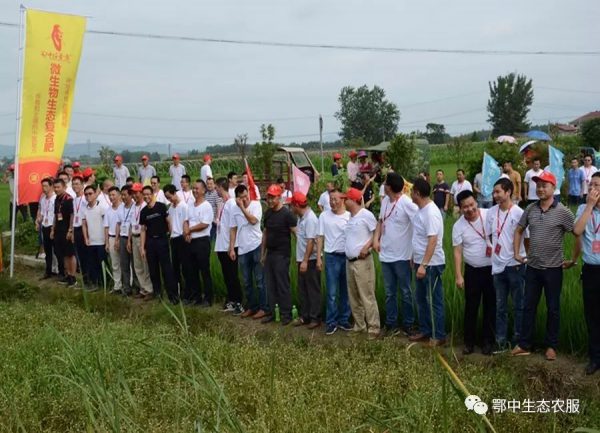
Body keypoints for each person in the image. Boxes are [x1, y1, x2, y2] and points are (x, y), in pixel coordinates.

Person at [512, 171, 576, 361]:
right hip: (532, 268)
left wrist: (573, 258)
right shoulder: (531, 209)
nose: (540, 189)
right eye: (538, 185)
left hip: (553, 269)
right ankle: (524, 344)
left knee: (553, 308)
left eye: (544, 185)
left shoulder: (563, 211)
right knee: (528, 306)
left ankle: (551, 346)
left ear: (553, 188)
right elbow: (519, 230)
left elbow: (578, 233)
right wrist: (516, 253)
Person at [373, 173, 418, 337]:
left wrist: (414, 252)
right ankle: (391, 324)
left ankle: (409, 324)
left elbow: (418, 225)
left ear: (390, 187)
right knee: (389, 293)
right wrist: (376, 239)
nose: (383, 185)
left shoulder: (407, 203)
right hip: (386, 255)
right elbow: (381, 221)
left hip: (403, 256)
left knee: (405, 292)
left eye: (385, 183)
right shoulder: (385, 201)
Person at [485, 178, 526, 354]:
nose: (495, 195)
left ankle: (518, 341)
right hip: (497, 267)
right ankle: (500, 342)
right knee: (500, 306)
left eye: (498, 192)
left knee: (518, 306)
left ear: (508, 192)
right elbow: (491, 236)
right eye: (494, 192)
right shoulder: (491, 212)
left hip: (515, 265)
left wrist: (524, 257)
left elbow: (527, 238)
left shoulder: (519, 213)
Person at [453, 190, 495, 355]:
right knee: (471, 307)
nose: (470, 209)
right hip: (472, 271)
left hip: (492, 270)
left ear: (476, 202)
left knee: (490, 307)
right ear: (460, 208)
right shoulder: (458, 226)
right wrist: (458, 275)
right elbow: (457, 252)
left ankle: (488, 342)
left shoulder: (489, 215)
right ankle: (469, 342)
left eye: (471, 205)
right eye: (465, 207)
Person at [408, 178, 447, 347]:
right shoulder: (420, 210)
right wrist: (414, 257)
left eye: (412, 191)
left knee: (434, 300)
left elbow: (432, 240)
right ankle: (425, 330)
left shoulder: (431, 212)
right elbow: (418, 236)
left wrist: (423, 265)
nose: (410, 194)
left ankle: (439, 335)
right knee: (421, 299)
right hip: (420, 261)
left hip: (431, 264)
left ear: (417, 193)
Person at [344, 187, 380, 339]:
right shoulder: (350, 217)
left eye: (346, 199)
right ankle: (359, 325)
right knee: (354, 296)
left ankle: (374, 327)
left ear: (353, 200)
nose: (344, 202)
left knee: (367, 295)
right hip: (350, 262)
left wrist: (367, 247)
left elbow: (377, 233)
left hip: (362, 261)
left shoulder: (366, 215)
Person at [573, 173, 600, 375]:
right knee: (592, 316)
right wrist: (590, 206)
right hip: (590, 270)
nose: (592, 188)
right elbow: (577, 231)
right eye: (591, 185)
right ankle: (595, 358)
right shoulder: (583, 209)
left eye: (597, 185)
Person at [316, 189, 352, 335]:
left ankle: (344, 319)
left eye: (335, 199)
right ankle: (331, 321)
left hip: (346, 257)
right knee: (331, 292)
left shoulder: (349, 216)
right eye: (330, 199)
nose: (332, 202)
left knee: (345, 290)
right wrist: (319, 257)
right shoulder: (324, 216)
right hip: (331, 257)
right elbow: (320, 237)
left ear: (342, 200)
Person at [261, 184, 297, 325]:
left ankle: (286, 314)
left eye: (273, 198)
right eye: (268, 198)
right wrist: (263, 253)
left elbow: (296, 233)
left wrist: (301, 254)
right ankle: (272, 312)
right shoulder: (268, 213)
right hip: (270, 253)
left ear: (279, 197)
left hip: (282, 254)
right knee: (270, 284)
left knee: (282, 284)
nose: (270, 201)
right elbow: (265, 234)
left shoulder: (287, 214)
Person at [230, 184, 267, 319]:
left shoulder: (256, 205)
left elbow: (253, 221)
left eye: (246, 196)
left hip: (256, 245)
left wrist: (242, 208)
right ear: (236, 198)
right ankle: (251, 307)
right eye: (241, 198)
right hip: (242, 248)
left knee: (260, 280)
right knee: (246, 281)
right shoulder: (234, 209)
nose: (245, 199)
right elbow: (233, 229)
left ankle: (264, 308)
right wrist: (231, 247)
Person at [140, 185, 179, 304]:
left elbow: (169, 221)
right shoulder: (143, 211)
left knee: (166, 269)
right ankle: (158, 294)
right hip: (150, 242)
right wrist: (142, 247)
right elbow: (143, 230)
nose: (146, 196)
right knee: (153, 269)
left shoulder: (161, 207)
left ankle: (172, 296)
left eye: (148, 194)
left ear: (152, 195)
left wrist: (170, 235)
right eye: (144, 195)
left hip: (162, 240)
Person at [290, 192, 321, 329]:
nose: (291, 208)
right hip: (302, 259)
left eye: (292, 205)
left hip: (310, 260)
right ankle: (305, 316)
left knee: (313, 289)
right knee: (303, 289)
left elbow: (310, 241)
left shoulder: (310, 219)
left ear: (297, 205)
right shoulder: (301, 218)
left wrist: (305, 261)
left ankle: (315, 318)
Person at [214, 177, 243, 314]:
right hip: (221, 245)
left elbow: (233, 226)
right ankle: (231, 299)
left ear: (221, 187)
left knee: (232, 275)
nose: (215, 190)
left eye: (216, 187)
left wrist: (231, 247)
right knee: (227, 276)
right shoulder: (224, 203)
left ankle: (239, 302)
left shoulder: (231, 203)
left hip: (229, 246)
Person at [185, 179, 214, 306]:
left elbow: (204, 224)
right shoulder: (190, 205)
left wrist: (189, 230)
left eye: (197, 188)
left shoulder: (206, 206)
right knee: (192, 271)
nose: (194, 190)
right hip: (191, 241)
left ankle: (208, 298)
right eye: (193, 188)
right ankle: (196, 297)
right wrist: (186, 233)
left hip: (202, 241)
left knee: (204, 270)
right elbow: (186, 220)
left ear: (203, 190)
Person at [127, 183, 154, 300]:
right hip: (134, 236)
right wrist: (129, 240)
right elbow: (130, 224)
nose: (134, 195)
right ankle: (143, 288)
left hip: (143, 238)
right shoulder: (133, 206)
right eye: (133, 193)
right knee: (137, 265)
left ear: (141, 193)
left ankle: (149, 289)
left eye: (136, 193)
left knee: (145, 264)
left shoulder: (145, 206)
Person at [164, 184, 190, 301]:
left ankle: (188, 293)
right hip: (173, 239)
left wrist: (186, 235)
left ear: (174, 193)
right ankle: (178, 292)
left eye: (170, 197)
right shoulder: (170, 208)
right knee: (175, 267)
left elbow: (186, 222)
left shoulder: (184, 206)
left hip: (181, 238)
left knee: (185, 267)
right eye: (167, 198)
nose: (169, 200)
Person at [52, 178, 77, 287]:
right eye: (55, 187)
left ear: (64, 187)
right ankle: (68, 275)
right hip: (59, 230)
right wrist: (53, 229)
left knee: (70, 254)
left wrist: (70, 230)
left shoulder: (68, 199)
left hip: (67, 230)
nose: (56, 189)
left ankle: (73, 277)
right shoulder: (57, 199)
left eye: (58, 187)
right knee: (64, 254)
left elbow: (72, 215)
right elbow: (55, 215)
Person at [82, 185, 105, 289]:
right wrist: (86, 238)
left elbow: (106, 224)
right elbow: (84, 225)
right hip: (91, 241)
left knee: (102, 264)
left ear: (96, 194)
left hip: (101, 241)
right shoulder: (84, 209)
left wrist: (106, 239)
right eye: (86, 194)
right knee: (92, 264)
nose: (88, 196)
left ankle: (104, 283)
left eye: (90, 193)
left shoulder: (101, 207)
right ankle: (95, 283)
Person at [117, 185, 137, 296]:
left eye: (125, 195)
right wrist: (117, 238)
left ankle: (136, 287)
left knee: (135, 264)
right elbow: (118, 223)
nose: (123, 197)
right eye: (122, 195)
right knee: (124, 264)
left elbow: (132, 225)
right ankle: (126, 287)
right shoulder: (120, 207)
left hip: (132, 238)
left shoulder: (135, 207)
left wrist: (129, 240)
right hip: (122, 237)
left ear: (130, 195)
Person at [37, 177, 57, 279]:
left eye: (45, 186)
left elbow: (56, 214)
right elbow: (41, 212)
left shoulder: (55, 198)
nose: (43, 188)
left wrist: (54, 228)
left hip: (53, 226)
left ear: (51, 186)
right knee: (47, 250)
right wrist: (38, 221)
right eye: (42, 186)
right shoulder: (43, 198)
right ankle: (48, 270)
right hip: (44, 226)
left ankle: (58, 270)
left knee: (56, 250)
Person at [103, 186, 123, 293]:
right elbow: (106, 227)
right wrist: (107, 242)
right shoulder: (108, 210)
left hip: (122, 238)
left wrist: (118, 239)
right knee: (115, 264)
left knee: (125, 263)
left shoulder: (123, 208)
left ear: (119, 195)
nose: (111, 197)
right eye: (110, 195)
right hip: (111, 238)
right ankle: (117, 286)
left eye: (113, 195)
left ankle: (128, 285)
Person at [71, 175, 89, 284]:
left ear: (82, 185)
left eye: (77, 184)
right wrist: (72, 232)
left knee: (87, 255)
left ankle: (90, 279)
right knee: (80, 256)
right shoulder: (74, 200)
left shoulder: (86, 199)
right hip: (76, 229)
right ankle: (85, 279)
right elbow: (74, 216)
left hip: (85, 229)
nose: (75, 186)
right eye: (73, 184)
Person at [205, 177, 222, 242]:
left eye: (211, 184)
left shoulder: (216, 193)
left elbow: (218, 207)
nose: (209, 185)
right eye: (208, 184)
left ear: (214, 185)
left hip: (213, 221)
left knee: (213, 239)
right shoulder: (205, 193)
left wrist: (217, 218)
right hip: (206, 220)